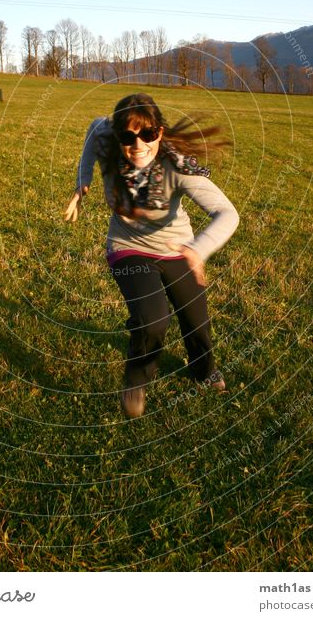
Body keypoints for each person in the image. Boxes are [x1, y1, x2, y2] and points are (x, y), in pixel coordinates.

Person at [64, 93, 240, 418]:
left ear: (159, 131)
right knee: (153, 318)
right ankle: (136, 380)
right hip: (127, 246)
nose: (138, 145)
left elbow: (228, 214)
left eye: (147, 135)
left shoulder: (177, 167)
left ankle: (204, 371)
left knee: (196, 321)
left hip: (178, 249)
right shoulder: (106, 135)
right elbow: (94, 129)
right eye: (128, 137)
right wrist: (83, 182)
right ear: (117, 135)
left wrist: (196, 250)